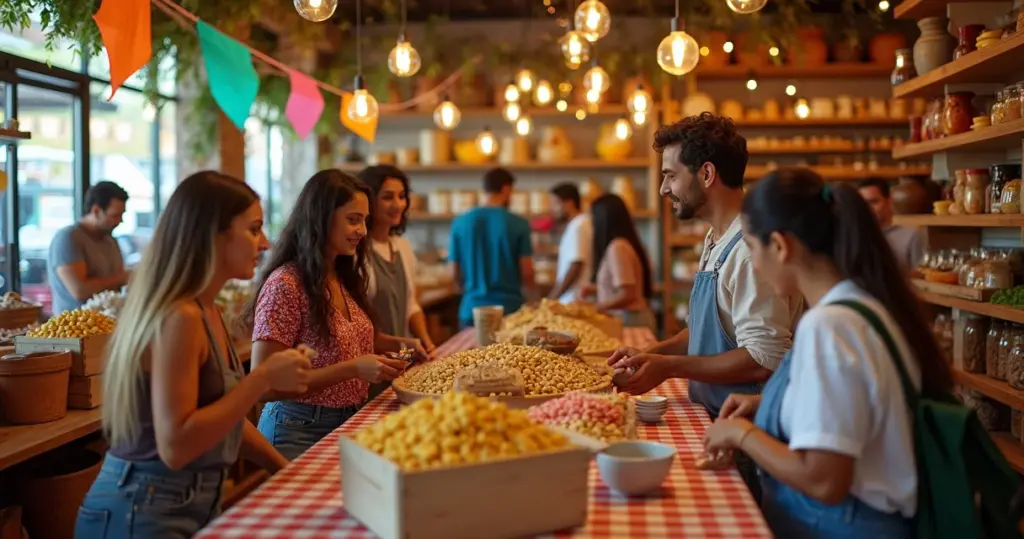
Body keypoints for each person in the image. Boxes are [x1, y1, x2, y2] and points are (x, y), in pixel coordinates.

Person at [703, 169, 952, 538]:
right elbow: (855, 410)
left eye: (753, 250)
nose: (754, 265)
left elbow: (823, 480)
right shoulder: (864, 304)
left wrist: (740, 435)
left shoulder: (829, 327)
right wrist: (766, 405)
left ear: (781, 246)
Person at [75, 172, 312, 539]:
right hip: (141, 508)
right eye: (253, 229)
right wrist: (261, 380)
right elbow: (176, 446)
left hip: (182, 501)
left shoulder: (207, 311)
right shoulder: (180, 318)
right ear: (212, 235)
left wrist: (281, 466)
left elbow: (223, 412)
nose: (264, 243)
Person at [608, 113, 802, 499]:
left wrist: (670, 367)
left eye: (670, 175)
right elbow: (708, 330)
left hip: (748, 434)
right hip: (714, 417)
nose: (664, 188)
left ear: (707, 174)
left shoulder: (749, 250)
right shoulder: (718, 239)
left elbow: (764, 359)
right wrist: (650, 354)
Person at [246, 169, 416, 460]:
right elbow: (265, 385)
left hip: (346, 422)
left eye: (365, 220)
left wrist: (402, 346)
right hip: (297, 428)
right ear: (321, 219)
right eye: (353, 220)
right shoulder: (286, 284)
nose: (363, 231)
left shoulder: (339, 275)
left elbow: (347, 343)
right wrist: (353, 369)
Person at [357, 164, 437, 400]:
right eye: (388, 197)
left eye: (402, 196)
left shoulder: (402, 246)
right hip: (368, 366)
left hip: (399, 362)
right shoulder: (356, 251)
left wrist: (427, 342)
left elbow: (411, 304)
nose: (398, 204)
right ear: (368, 201)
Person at [449, 167, 534, 327]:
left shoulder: (460, 223)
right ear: (506, 189)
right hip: (510, 310)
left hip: (472, 309)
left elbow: (453, 271)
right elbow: (527, 272)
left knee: (469, 352)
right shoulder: (519, 224)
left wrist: (466, 289)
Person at [49, 181, 131, 314]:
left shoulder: (110, 240)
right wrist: (123, 277)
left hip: (108, 325)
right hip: (74, 328)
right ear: (96, 211)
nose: (120, 221)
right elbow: (79, 291)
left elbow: (119, 284)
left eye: (122, 215)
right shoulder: (68, 238)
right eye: (115, 216)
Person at [588, 194, 656, 331]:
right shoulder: (622, 245)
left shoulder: (617, 247)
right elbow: (625, 286)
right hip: (630, 318)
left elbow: (627, 294)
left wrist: (593, 308)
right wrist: (594, 289)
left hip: (630, 320)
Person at [858, 177, 925, 273]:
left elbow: (921, 276)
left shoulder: (911, 235)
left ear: (889, 201)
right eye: (864, 204)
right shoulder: (856, 235)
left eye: (873, 202)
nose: (868, 208)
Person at [547, 183, 592, 304]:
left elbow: (576, 264)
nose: (552, 209)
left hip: (574, 300)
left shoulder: (579, 225)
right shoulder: (579, 224)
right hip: (573, 299)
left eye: (555, 204)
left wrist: (552, 299)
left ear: (569, 203)